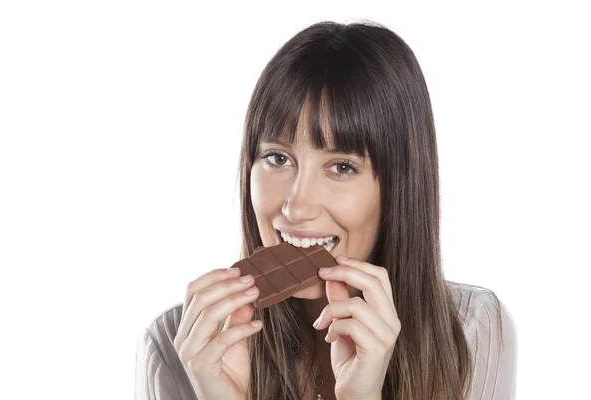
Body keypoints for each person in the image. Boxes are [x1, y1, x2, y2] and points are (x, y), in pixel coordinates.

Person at [135, 20, 517, 400]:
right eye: (277, 158)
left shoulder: (470, 332)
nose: (296, 207)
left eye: (341, 167)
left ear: (399, 188)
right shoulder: (176, 350)